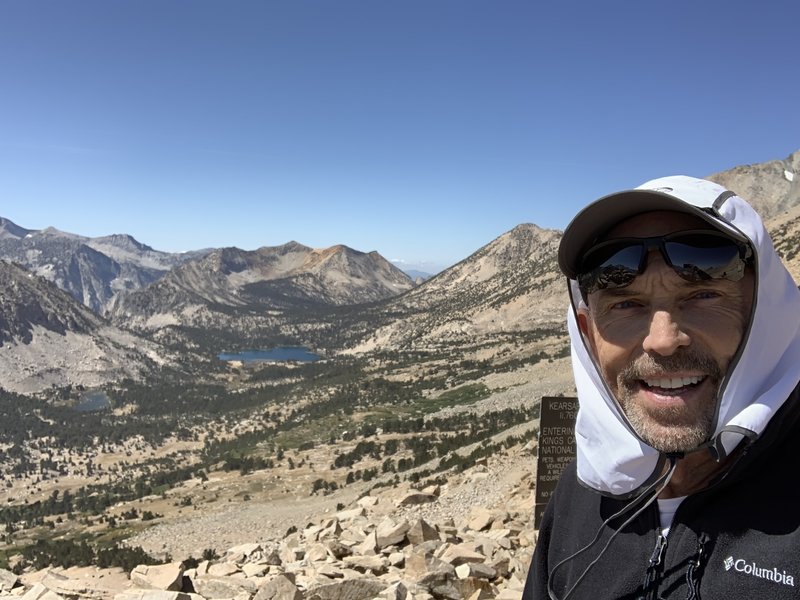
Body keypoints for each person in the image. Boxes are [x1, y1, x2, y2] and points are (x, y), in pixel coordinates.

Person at [523, 175, 800, 600]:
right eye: (626, 304)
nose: (663, 340)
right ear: (588, 333)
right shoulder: (578, 499)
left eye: (703, 295)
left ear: (767, 316)